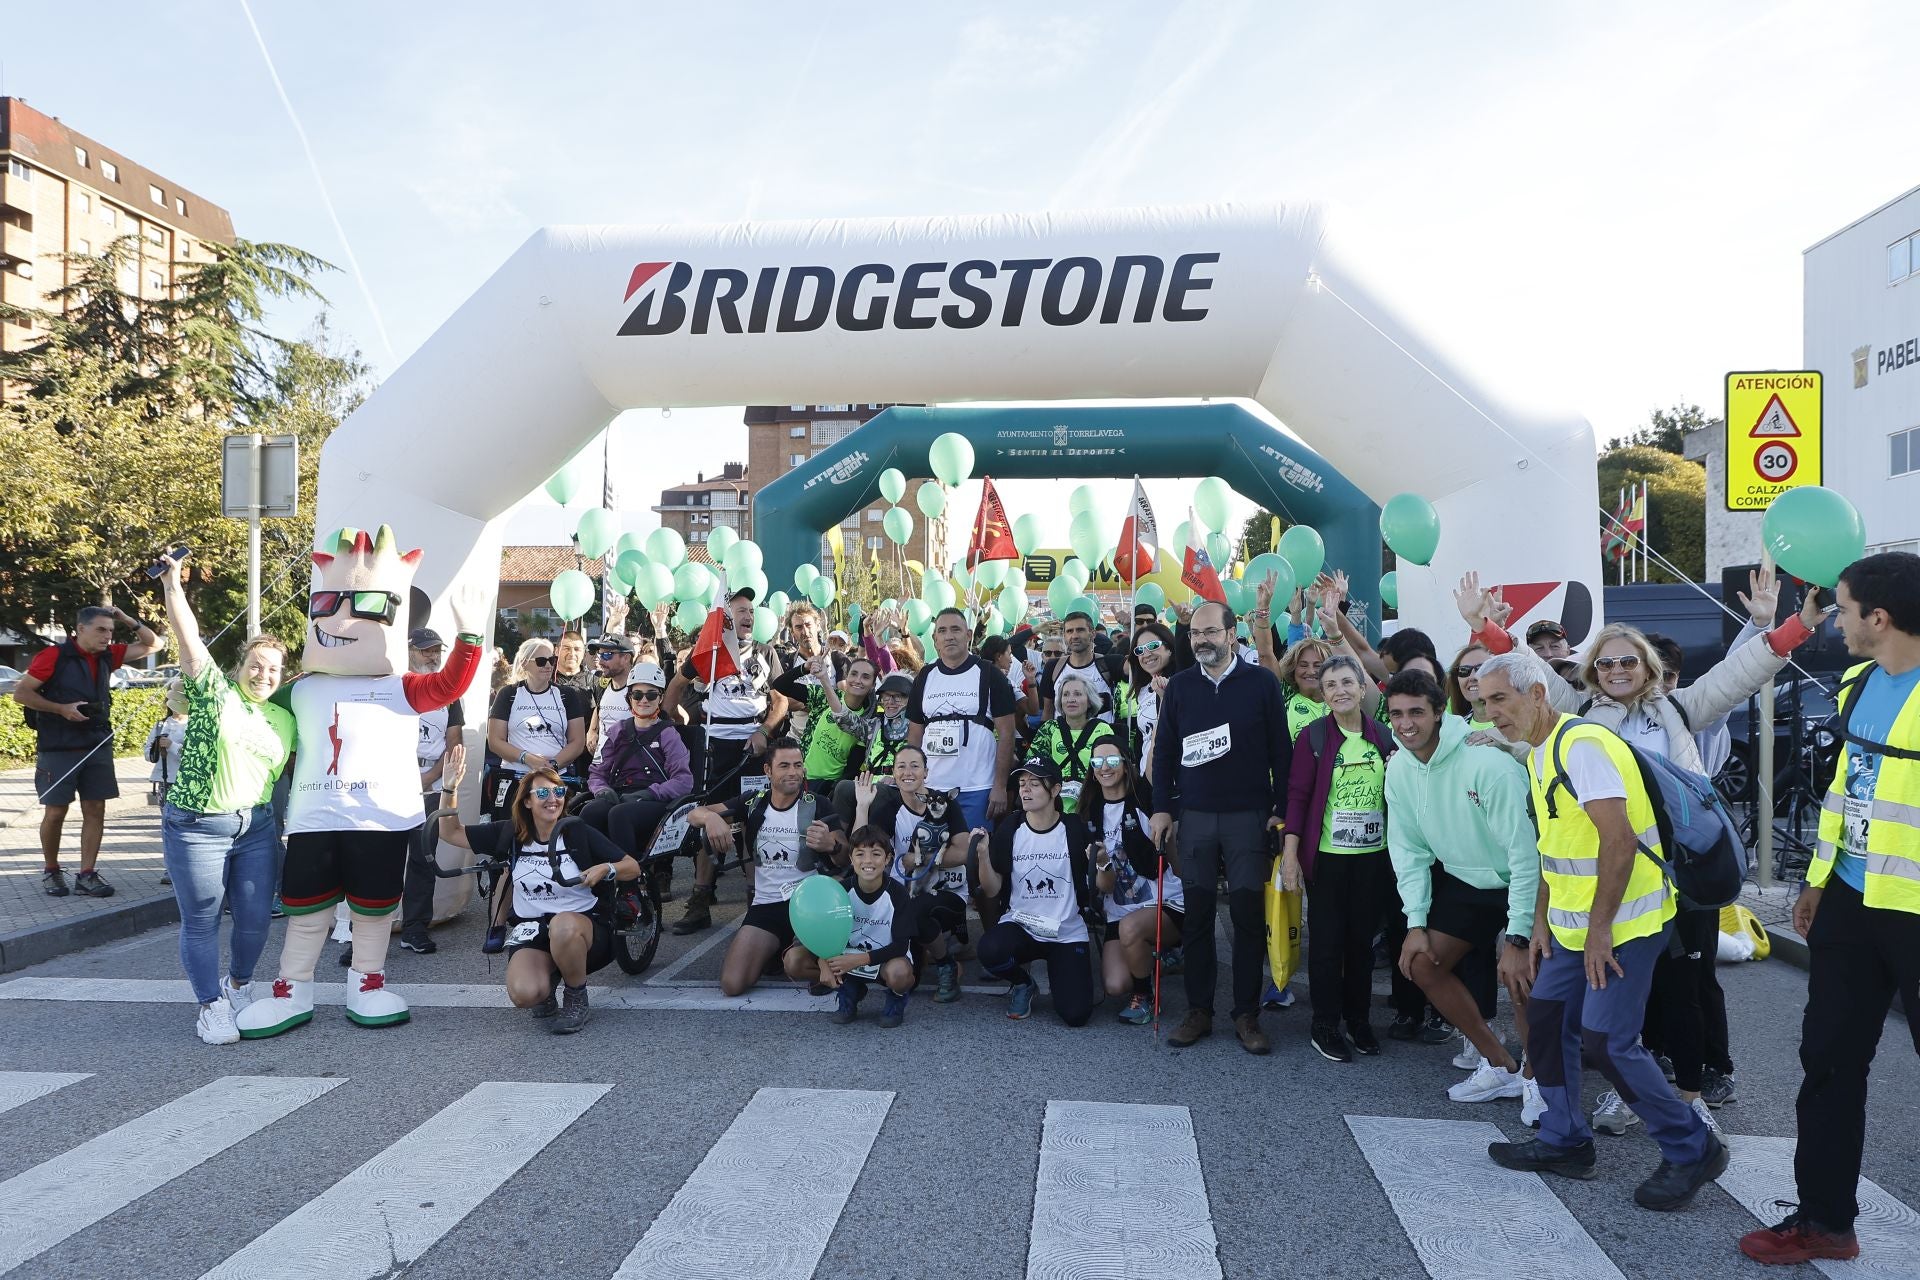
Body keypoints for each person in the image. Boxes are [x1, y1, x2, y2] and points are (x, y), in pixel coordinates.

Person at [1475, 653, 1726, 1211]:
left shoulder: (1581, 746)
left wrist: (1598, 933)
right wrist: (1541, 922)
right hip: (1572, 927)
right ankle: (1564, 1141)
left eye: (1499, 700)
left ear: (1537, 694)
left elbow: (1618, 841)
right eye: (1483, 702)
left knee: (1607, 1039)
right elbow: (1553, 846)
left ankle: (1692, 1147)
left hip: (1623, 925)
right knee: (1545, 1020)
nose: (1490, 713)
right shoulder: (1542, 751)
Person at [1738, 552, 1920, 1266]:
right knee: (1829, 1061)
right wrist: (1816, 881)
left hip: (1914, 911)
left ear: (1879, 617)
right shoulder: (1855, 683)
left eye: (1842, 609)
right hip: (1849, 900)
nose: (1834, 621)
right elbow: (1846, 790)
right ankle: (1824, 1221)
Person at [236, 525, 482, 1039]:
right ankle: (291, 990)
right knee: (307, 910)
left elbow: (450, 684)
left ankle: (367, 985)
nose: (342, 618)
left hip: (380, 818)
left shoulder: (400, 687)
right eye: (328, 601)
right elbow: (248, 712)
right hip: (313, 817)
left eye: (366, 604)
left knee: (373, 911)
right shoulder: (301, 689)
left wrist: (471, 636)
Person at [1382, 669, 1544, 1118]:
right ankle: (1501, 1065)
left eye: (1416, 711)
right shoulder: (1398, 768)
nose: (1406, 723)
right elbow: (1409, 852)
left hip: (1525, 880)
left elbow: (1525, 855)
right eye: (1396, 714)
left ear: (1438, 712)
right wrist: (1415, 923)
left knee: (1520, 979)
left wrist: (1515, 938)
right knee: (1418, 963)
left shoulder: (1485, 762)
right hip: (1467, 881)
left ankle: (1538, 1081)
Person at [151, 552, 296, 1045]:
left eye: (274, 669)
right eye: (257, 665)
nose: (264, 675)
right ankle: (210, 1005)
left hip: (254, 828)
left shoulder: (286, 721)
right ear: (240, 667)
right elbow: (189, 641)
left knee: (256, 919)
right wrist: (173, 586)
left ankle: (238, 987)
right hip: (197, 825)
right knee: (203, 919)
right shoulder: (216, 693)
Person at [1152, 600, 1290, 1055]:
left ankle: (1246, 1014)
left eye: (1211, 632)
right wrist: (1162, 809)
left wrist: (1279, 809)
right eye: (1195, 634)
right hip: (1195, 817)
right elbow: (1166, 752)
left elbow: (1281, 754)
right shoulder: (1181, 687)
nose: (1202, 641)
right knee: (1197, 919)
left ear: (1232, 635)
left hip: (1248, 817)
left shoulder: (1262, 683)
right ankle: (1199, 1011)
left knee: (1248, 918)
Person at [435, 750, 638, 1034]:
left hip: (585, 931)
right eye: (542, 792)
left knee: (563, 925)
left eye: (558, 791)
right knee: (525, 994)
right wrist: (450, 788)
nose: (552, 798)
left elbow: (632, 866)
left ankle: (576, 995)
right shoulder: (511, 833)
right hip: (533, 929)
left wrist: (605, 869)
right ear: (527, 801)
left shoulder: (577, 832)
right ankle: (549, 979)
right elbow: (449, 832)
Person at [1280, 654, 1398, 1061]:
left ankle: (1359, 1021)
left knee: (1361, 944)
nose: (1340, 691)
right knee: (1328, 945)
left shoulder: (1383, 737)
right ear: (1324, 694)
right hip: (1328, 858)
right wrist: (1291, 855)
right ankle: (1325, 1024)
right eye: (1331, 686)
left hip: (1372, 859)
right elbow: (1296, 798)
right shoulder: (1313, 737)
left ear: (1362, 688)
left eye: (1347, 683)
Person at [13, 601, 166, 896]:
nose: (107, 635)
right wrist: (61, 709)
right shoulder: (54, 656)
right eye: (100, 629)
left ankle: (87, 874)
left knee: (96, 808)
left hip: (97, 743)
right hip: (58, 746)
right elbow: (21, 693)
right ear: (80, 629)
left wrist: (127, 619)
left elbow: (154, 645)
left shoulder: (109, 655)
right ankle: (51, 870)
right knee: (55, 812)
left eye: (110, 630)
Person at [681, 739, 847, 984]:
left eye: (798, 765)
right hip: (766, 905)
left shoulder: (818, 804)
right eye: (784, 766)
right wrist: (710, 818)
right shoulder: (753, 802)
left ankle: (839, 975)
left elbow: (845, 857)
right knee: (733, 984)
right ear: (768, 770)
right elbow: (693, 814)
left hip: (810, 906)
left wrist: (831, 845)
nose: (793, 772)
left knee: (795, 966)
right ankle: (780, 951)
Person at [972, 756, 1096, 1026]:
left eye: (1034, 784)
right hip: (1022, 924)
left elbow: (1100, 887)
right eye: (1022, 783)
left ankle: (1061, 969)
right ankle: (1023, 983)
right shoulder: (1012, 827)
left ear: (1055, 790)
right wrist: (983, 856)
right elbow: (992, 890)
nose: (1025, 790)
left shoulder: (1073, 828)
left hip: (1066, 930)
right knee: (990, 950)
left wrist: (1104, 866)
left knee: (1076, 1015)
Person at [851, 744, 970, 1002]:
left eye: (915, 766)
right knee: (910, 980)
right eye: (901, 766)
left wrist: (918, 860)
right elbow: (861, 849)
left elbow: (962, 853)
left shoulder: (944, 803)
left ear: (926, 771)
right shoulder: (889, 809)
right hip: (906, 891)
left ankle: (945, 963)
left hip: (945, 888)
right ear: (893, 773)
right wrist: (862, 807)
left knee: (913, 909)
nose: (908, 772)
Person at [1083, 732, 1182, 1026]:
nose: (1105, 767)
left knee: (1130, 929)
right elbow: (1105, 886)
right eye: (1097, 761)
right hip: (1121, 907)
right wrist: (1101, 863)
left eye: (1112, 759)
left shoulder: (1146, 796)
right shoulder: (1089, 812)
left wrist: (1163, 708)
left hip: (1165, 902)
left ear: (1126, 763)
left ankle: (1145, 995)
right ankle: (1152, 957)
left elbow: (1157, 762)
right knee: (1115, 985)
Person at [788, 826, 917, 1027]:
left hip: (882, 960)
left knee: (899, 973)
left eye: (876, 854)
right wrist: (823, 961)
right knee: (794, 960)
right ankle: (849, 988)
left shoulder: (898, 894)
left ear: (888, 859)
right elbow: (819, 931)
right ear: (851, 858)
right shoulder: (839, 891)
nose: (867, 861)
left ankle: (896, 997)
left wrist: (858, 960)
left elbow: (901, 945)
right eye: (860, 854)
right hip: (844, 960)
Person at [665, 587, 787, 797]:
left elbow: (781, 702)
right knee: (713, 807)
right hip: (713, 746)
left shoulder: (766, 652)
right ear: (727, 617)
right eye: (741, 611)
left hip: (753, 744)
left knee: (751, 809)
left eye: (751, 611)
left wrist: (764, 732)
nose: (748, 616)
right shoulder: (707, 652)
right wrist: (676, 718)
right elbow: (676, 685)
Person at [906, 607, 1018, 829]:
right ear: (935, 638)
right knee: (932, 855)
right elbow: (915, 734)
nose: (949, 636)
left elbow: (1006, 734)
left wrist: (999, 786)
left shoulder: (989, 673)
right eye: (943, 630)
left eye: (956, 629)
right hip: (932, 789)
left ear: (968, 635)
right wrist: (914, 781)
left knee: (972, 856)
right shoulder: (925, 676)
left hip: (977, 788)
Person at [579, 663, 693, 866]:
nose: (644, 700)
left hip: (654, 799)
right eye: (637, 695)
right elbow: (597, 773)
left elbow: (683, 781)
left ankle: (629, 885)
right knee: (590, 812)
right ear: (628, 698)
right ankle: (592, 879)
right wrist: (601, 790)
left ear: (660, 698)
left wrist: (649, 793)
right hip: (620, 793)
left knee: (619, 814)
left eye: (651, 695)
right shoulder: (615, 731)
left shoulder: (668, 733)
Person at [399, 628, 463, 956]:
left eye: (437, 650)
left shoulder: (448, 692)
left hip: (430, 784)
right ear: (409, 650)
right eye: (426, 650)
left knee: (423, 859)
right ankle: (366, 933)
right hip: (392, 782)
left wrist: (430, 777)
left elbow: (454, 742)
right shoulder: (394, 685)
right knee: (384, 859)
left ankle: (415, 927)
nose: (433, 655)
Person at [486, 638, 589, 813]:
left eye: (552, 660)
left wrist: (553, 765)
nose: (548, 665)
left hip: (556, 778)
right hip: (516, 775)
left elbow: (578, 741)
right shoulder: (508, 694)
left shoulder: (567, 694)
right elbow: (495, 741)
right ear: (525, 664)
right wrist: (528, 759)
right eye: (541, 661)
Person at [773, 649, 874, 795]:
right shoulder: (826, 696)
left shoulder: (868, 720)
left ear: (872, 685)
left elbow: (852, 768)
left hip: (827, 788)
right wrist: (805, 668)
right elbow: (781, 685)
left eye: (865, 677)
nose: (857, 680)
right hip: (799, 776)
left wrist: (832, 793)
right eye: (853, 674)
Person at [1026, 673, 1105, 813]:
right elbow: (1031, 767)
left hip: (1093, 800)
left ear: (1089, 700)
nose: (1071, 699)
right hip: (1054, 804)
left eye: (1078, 694)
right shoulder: (1049, 729)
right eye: (1066, 694)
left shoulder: (1102, 729)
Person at [1039, 610, 1124, 723]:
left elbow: (1139, 662)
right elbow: (1048, 710)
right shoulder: (1053, 667)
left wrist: (1130, 626)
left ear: (1093, 634)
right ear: (1064, 636)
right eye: (1069, 631)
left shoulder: (1109, 663)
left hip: (1101, 738)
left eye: (1080, 630)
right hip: (1063, 739)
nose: (1074, 636)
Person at [1124, 620, 1180, 780]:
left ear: (1169, 648)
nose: (1146, 654)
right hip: (1146, 778)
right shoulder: (1142, 689)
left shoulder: (1180, 683)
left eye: (1153, 646)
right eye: (1139, 650)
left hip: (1172, 779)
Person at [586, 633, 636, 753]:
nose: (600, 661)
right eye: (599, 655)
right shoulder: (603, 686)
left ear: (626, 658)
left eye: (607, 655)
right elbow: (599, 707)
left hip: (630, 766)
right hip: (602, 765)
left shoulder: (640, 691)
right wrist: (592, 731)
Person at [553, 629, 596, 697]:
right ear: (556, 651)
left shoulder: (593, 681)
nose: (572, 654)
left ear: (583, 654)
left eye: (577, 649)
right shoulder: (546, 679)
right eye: (566, 648)